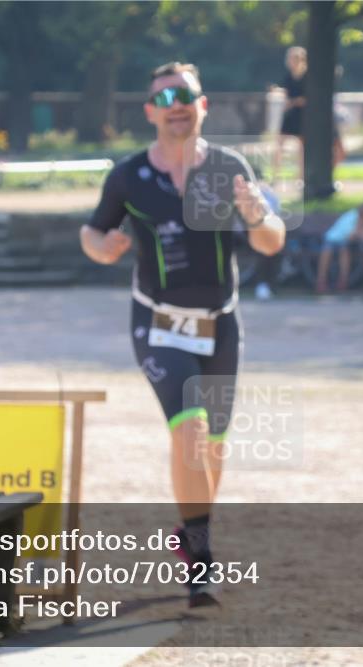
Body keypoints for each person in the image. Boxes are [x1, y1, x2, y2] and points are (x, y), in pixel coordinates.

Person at [81, 62, 285, 607]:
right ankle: (201, 561)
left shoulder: (229, 167)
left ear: (203, 105)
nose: (176, 103)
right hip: (158, 322)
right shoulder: (128, 176)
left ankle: (189, 532)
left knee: (213, 450)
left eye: (185, 95)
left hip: (222, 323)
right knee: (190, 431)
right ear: (150, 111)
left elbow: (270, 241)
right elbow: (93, 229)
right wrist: (102, 249)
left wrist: (256, 214)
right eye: (164, 96)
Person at [315, 202, 363, 294]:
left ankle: (339, 280)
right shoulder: (355, 217)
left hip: (338, 240)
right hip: (335, 239)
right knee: (335, 252)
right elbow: (352, 236)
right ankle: (334, 280)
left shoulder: (354, 215)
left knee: (343, 251)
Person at [274, 46, 307, 182]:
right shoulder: (288, 77)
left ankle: (301, 176)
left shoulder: (307, 77)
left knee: (301, 147)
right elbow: (287, 93)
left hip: (302, 115)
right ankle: (276, 175)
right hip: (289, 114)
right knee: (279, 143)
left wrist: (293, 102)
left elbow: (306, 99)